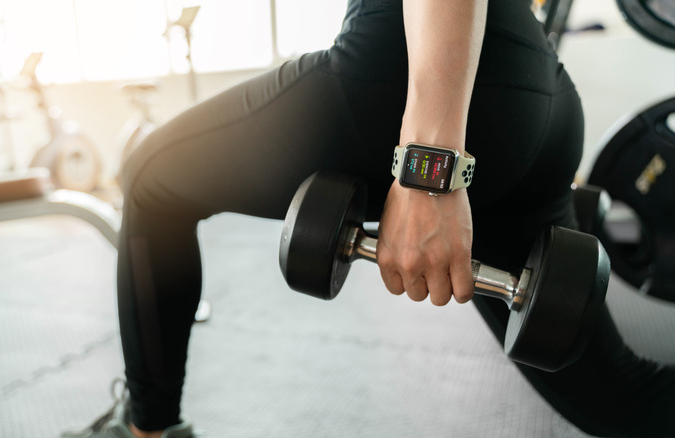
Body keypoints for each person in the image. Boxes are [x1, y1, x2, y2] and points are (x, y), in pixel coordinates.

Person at [63, 0, 675, 437]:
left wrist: (428, 171)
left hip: (403, 72)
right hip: (541, 98)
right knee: (616, 398)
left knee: (151, 175)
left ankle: (145, 427)